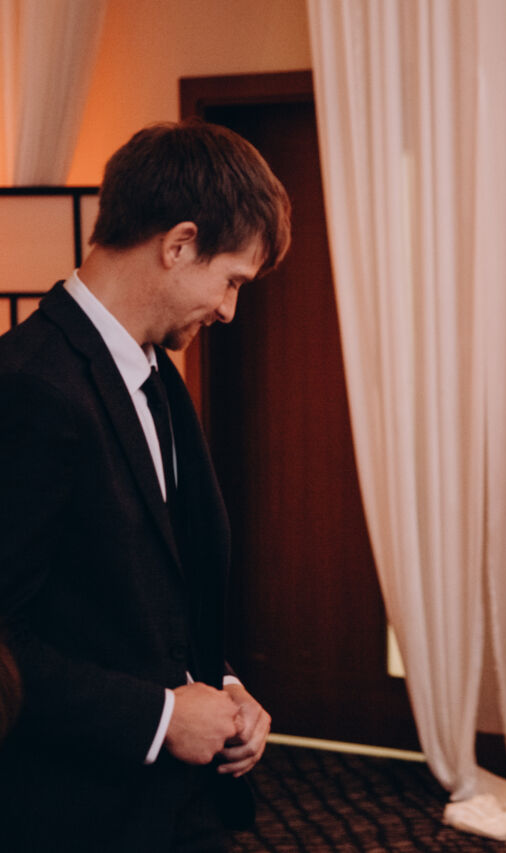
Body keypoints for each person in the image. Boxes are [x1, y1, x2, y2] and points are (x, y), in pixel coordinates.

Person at [0, 120, 291, 852]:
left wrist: (223, 686)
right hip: (77, 814)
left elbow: (149, 589)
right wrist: (159, 718)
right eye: (232, 281)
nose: (228, 309)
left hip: (174, 806)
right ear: (179, 244)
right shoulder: (29, 386)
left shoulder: (154, 371)